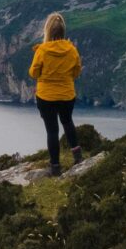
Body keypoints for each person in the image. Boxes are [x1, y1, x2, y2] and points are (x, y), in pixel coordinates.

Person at [29, 12, 83, 176]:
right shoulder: (72, 50)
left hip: (46, 97)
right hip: (67, 95)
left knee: (52, 131)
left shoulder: (42, 50)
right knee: (68, 122)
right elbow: (76, 72)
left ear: (48, 31)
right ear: (63, 31)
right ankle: (78, 158)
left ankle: (55, 167)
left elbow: (34, 73)